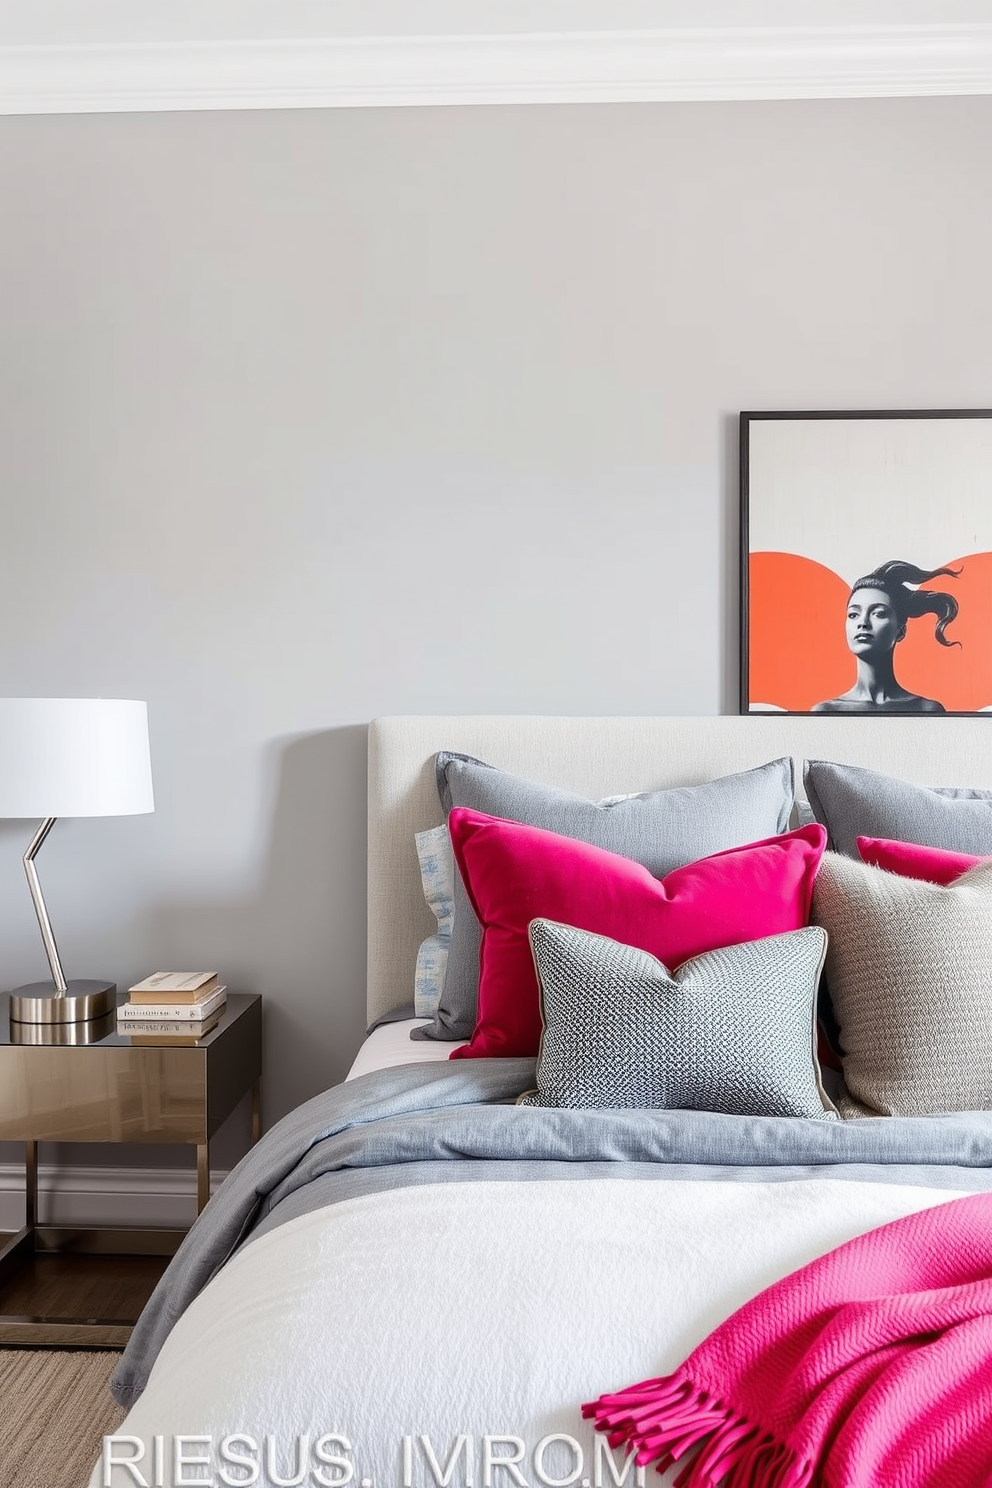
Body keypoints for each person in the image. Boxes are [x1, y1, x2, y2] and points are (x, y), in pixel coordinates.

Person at [812, 560, 960, 713]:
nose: (862, 623)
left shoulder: (927, 709)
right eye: (853, 614)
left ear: (900, 631)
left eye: (878, 613)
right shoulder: (826, 711)